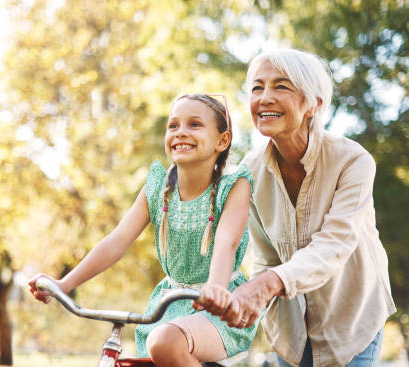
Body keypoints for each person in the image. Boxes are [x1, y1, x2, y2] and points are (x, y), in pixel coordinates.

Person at [28, 94, 258, 366]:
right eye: (173, 126)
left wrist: (216, 290)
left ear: (222, 140)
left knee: (165, 342)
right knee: (158, 344)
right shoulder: (158, 189)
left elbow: (226, 243)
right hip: (168, 307)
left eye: (194, 124)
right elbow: (116, 242)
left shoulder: (233, 187)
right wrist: (64, 284)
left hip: (217, 310)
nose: (181, 132)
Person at [205, 48, 396, 366]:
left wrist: (265, 285)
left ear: (315, 104)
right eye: (257, 87)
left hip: (351, 323)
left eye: (281, 86)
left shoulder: (352, 161)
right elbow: (266, 258)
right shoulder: (249, 173)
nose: (265, 97)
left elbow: (333, 246)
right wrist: (245, 301)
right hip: (291, 332)